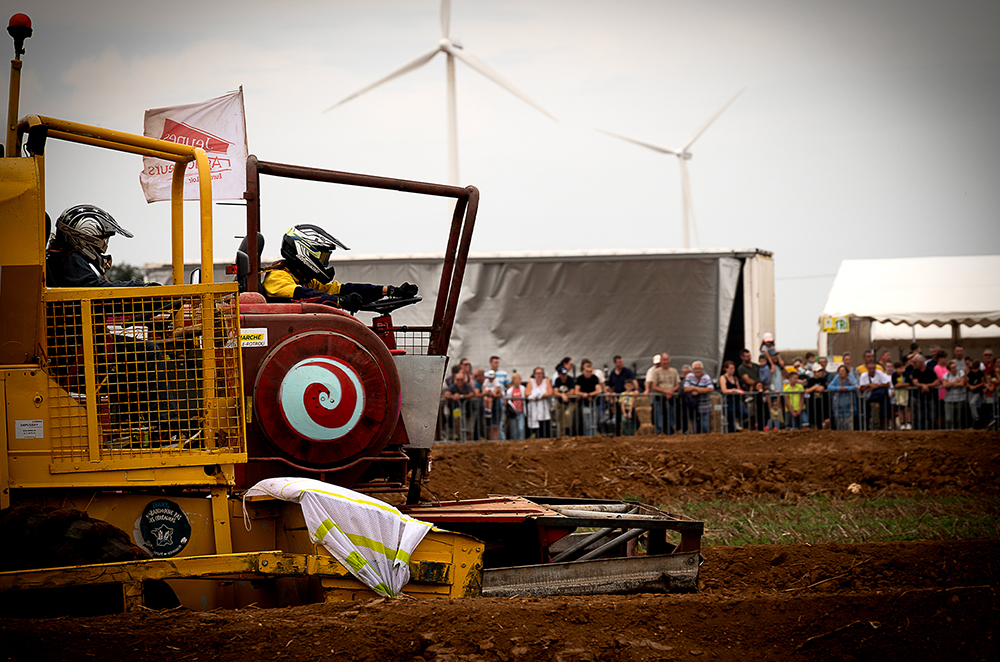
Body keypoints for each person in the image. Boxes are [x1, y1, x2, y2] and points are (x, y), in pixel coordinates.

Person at [46, 205, 181, 441]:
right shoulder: (70, 261)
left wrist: (149, 305)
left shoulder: (63, 259)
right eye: (103, 238)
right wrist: (143, 290)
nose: (105, 245)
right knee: (146, 352)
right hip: (75, 351)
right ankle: (167, 426)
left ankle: (124, 430)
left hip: (78, 345)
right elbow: (97, 293)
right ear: (85, 235)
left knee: (128, 359)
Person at [263, 225, 416, 312]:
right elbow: (305, 296)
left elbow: (343, 289)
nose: (325, 263)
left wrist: (389, 291)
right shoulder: (277, 277)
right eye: (322, 258)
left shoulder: (303, 279)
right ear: (305, 253)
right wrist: (341, 301)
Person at [648, 353, 681, 435]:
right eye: (664, 360)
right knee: (659, 417)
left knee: (671, 417)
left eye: (667, 359)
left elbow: (677, 384)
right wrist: (665, 391)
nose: (665, 362)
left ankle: (670, 430)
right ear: (661, 361)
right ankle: (659, 431)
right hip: (660, 398)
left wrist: (671, 391)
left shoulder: (674, 371)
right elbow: (654, 386)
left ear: (669, 360)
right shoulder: (656, 372)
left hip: (671, 398)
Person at [908, 355, 941, 430]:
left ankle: (932, 430)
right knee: (919, 416)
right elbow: (915, 382)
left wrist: (927, 386)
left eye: (915, 362)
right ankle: (920, 431)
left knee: (932, 416)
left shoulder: (930, 371)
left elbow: (936, 382)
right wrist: (923, 386)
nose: (914, 364)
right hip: (919, 397)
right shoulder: (915, 372)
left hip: (930, 397)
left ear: (920, 363)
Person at [606, 355, 636, 436]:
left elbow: (634, 380)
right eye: (619, 362)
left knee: (632, 417)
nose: (621, 363)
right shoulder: (612, 373)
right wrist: (611, 397)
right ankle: (617, 434)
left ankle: (630, 433)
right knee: (617, 418)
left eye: (621, 361)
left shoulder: (627, 371)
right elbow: (610, 386)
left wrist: (636, 390)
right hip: (617, 398)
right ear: (615, 363)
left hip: (627, 398)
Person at [443, 370, 475, 441]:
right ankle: (459, 435)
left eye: (461, 379)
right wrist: (453, 396)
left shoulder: (467, 386)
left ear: (464, 380)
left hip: (469, 409)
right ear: (455, 380)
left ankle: (467, 442)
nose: (460, 381)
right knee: (456, 418)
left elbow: (472, 394)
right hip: (457, 409)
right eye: (458, 379)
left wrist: (461, 396)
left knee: (469, 428)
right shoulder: (453, 386)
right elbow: (445, 395)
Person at [683, 361, 714, 434]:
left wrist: (697, 391)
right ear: (693, 370)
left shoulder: (706, 377)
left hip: (705, 407)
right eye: (696, 368)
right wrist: (699, 389)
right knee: (696, 429)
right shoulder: (689, 376)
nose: (697, 370)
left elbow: (711, 388)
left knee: (705, 428)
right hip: (693, 407)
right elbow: (686, 388)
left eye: (699, 368)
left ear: (702, 369)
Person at [859, 361, 891, 430]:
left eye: (873, 368)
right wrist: (868, 386)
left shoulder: (879, 373)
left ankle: (883, 427)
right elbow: (861, 389)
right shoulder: (864, 376)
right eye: (870, 368)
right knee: (875, 407)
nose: (872, 370)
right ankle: (875, 426)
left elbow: (887, 384)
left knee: (884, 407)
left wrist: (877, 386)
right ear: (867, 368)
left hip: (880, 397)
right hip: (869, 399)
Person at [574, 359, 602, 436]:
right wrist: (584, 395)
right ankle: (588, 437)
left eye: (590, 371)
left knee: (595, 422)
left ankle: (594, 436)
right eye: (587, 371)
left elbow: (597, 390)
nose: (589, 373)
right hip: (585, 404)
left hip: (596, 403)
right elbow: (576, 391)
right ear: (583, 371)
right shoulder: (580, 379)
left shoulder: (595, 378)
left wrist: (589, 394)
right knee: (587, 423)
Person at [719, 360, 747, 433]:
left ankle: (737, 421)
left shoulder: (735, 378)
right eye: (731, 368)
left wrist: (740, 392)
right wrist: (734, 390)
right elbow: (724, 390)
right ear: (726, 369)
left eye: (733, 368)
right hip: (728, 399)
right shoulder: (723, 377)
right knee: (730, 415)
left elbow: (738, 388)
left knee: (745, 412)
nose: (733, 370)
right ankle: (731, 431)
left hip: (736, 399)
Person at [829, 365, 859, 431]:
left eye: (843, 371)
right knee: (839, 425)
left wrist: (846, 388)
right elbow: (830, 386)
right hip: (838, 406)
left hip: (849, 406)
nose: (841, 373)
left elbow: (856, 386)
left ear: (846, 372)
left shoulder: (850, 377)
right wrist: (839, 388)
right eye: (840, 371)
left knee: (849, 425)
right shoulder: (837, 378)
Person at [525, 366, 553, 439]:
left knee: (545, 428)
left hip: (544, 409)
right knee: (536, 429)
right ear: (534, 374)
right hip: (534, 409)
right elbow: (527, 393)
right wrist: (535, 395)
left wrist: (540, 395)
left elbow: (550, 392)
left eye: (540, 373)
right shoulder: (531, 381)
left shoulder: (546, 381)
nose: (539, 375)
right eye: (537, 373)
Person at [551, 364, 577, 436]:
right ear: (559, 374)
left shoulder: (570, 379)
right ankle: (561, 434)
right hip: (561, 403)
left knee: (567, 414)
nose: (565, 376)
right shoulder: (557, 380)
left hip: (571, 402)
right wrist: (562, 395)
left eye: (565, 374)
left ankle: (568, 432)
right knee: (559, 417)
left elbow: (572, 391)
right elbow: (555, 391)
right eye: (563, 375)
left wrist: (564, 395)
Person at [489, 356, 510, 440]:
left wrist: (506, 398)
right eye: (495, 362)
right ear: (490, 363)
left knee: (500, 422)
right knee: (492, 423)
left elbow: (508, 386)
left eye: (497, 362)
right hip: (491, 402)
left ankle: (501, 440)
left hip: (500, 400)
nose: (496, 364)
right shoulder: (487, 374)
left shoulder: (504, 374)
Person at [942, 360, 966, 430]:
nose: (955, 369)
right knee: (949, 419)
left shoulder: (960, 373)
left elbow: (961, 384)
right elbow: (944, 385)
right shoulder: (946, 375)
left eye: (955, 367)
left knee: (958, 419)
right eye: (953, 368)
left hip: (960, 399)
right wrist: (955, 382)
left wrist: (950, 384)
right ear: (949, 369)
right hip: (949, 399)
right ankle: (948, 432)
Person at [805, 364, 830, 429]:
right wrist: (815, 387)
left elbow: (822, 388)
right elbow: (807, 390)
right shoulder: (810, 380)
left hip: (823, 403)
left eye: (820, 371)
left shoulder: (823, 380)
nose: (820, 373)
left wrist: (814, 388)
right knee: (815, 423)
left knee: (827, 420)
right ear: (814, 372)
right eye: (818, 371)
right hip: (814, 404)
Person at [481, 369, 503, 440]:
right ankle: (491, 441)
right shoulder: (486, 382)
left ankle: (495, 442)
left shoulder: (496, 383)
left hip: (496, 407)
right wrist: (486, 392)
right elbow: (483, 390)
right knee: (488, 427)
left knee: (495, 426)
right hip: (487, 400)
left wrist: (493, 394)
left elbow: (500, 393)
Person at [505, 373, 527, 440]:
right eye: (518, 379)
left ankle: (521, 440)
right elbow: (508, 400)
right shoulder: (510, 391)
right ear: (514, 380)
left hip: (521, 411)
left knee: (521, 428)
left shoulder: (523, 388)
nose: (520, 380)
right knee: (514, 428)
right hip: (513, 412)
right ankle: (514, 441)